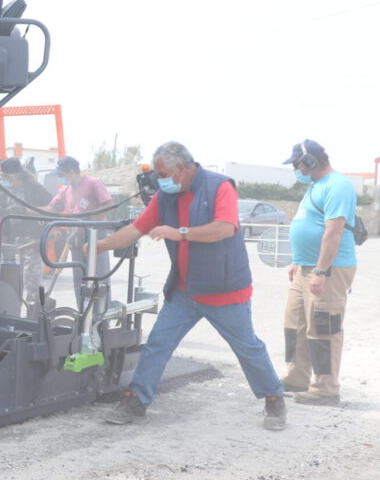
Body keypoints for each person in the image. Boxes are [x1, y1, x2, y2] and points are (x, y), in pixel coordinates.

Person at [93, 141, 287, 430]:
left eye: (163, 174)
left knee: (247, 347)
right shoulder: (164, 197)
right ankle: (135, 401)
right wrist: (97, 246)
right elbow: (135, 230)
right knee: (158, 344)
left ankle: (273, 398)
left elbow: (224, 227)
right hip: (185, 290)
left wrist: (179, 233)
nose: (159, 180)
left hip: (225, 291)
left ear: (181, 169)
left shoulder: (220, 187)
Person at [280, 139, 358, 406]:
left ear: (311, 161)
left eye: (298, 165)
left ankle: (326, 388)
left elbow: (333, 232)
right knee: (295, 325)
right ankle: (296, 377)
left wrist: (320, 271)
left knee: (324, 328)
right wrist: (298, 260)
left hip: (329, 270)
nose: (296, 170)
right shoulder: (316, 186)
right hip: (305, 267)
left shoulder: (338, 186)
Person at [0, 156, 52, 311]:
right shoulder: (7, 191)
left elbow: (52, 208)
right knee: (12, 280)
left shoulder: (35, 188)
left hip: (32, 240)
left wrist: (26, 211)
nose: (2, 179)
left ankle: (33, 314)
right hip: (13, 241)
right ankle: (13, 313)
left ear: (13, 175)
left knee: (31, 281)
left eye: (4, 176)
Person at [45, 156, 113, 279]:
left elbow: (108, 205)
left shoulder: (94, 183)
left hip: (95, 235)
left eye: (62, 175)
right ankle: (80, 299)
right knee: (79, 277)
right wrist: (26, 209)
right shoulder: (65, 190)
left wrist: (88, 219)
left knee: (98, 275)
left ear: (71, 172)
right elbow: (51, 208)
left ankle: (100, 298)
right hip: (76, 236)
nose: (61, 178)